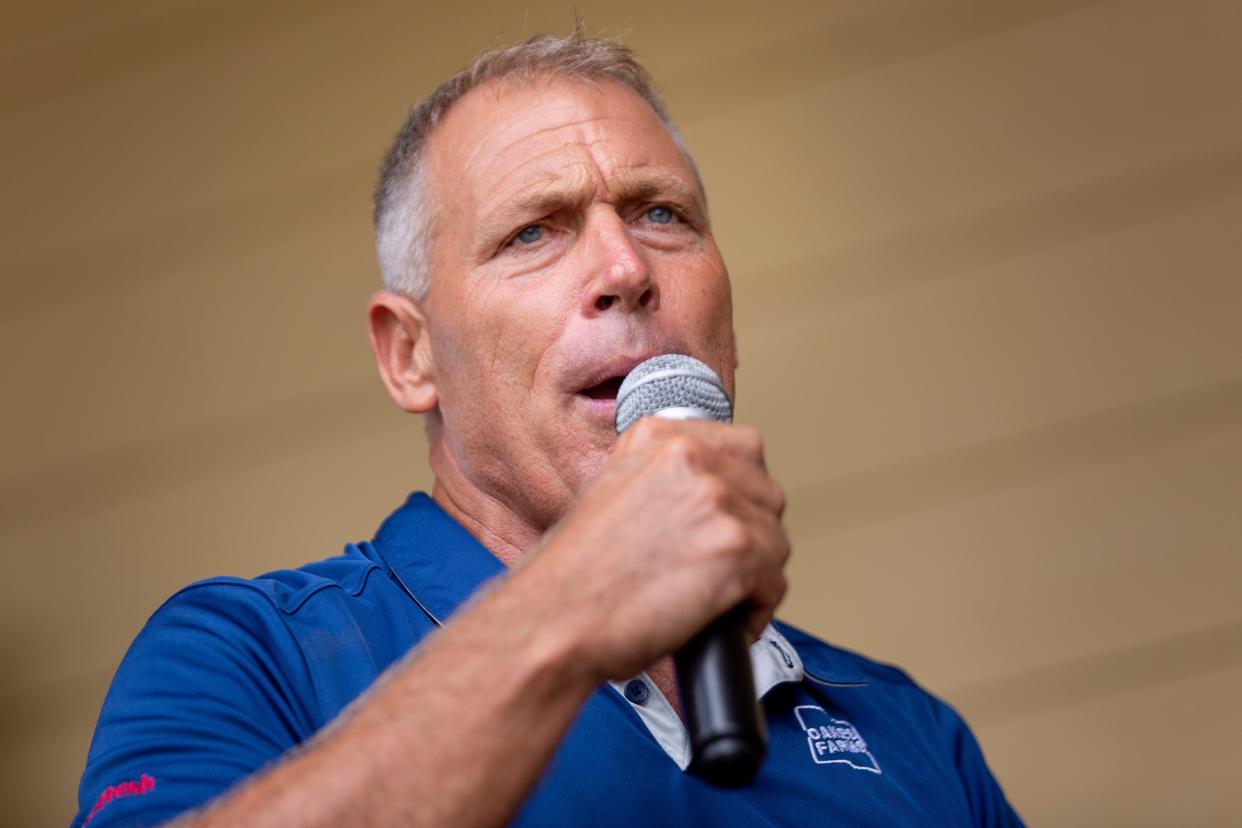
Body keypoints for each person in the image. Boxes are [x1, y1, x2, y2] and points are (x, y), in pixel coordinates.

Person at [73, 30, 1023, 827]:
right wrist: (569, 608)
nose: (625, 266)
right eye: (535, 230)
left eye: (662, 214)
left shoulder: (906, 730)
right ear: (411, 355)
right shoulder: (248, 654)